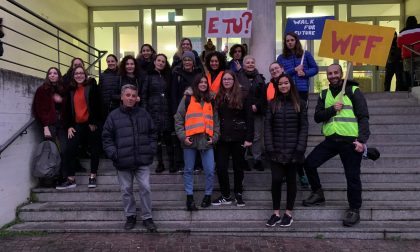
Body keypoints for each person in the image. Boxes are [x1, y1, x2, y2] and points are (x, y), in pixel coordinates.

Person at [302, 64, 370, 227]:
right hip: (331, 140)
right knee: (309, 163)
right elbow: (317, 117)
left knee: (352, 176)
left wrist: (361, 141)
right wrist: (333, 109)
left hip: (350, 141)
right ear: (327, 76)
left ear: (341, 74)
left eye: (335, 73)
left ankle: (354, 209)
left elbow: (363, 117)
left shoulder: (353, 91)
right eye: (330, 73)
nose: (332, 75)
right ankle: (318, 193)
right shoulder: (324, 94)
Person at [102, 84, 158, 232]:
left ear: (137, 97)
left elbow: (153, 133)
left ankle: (147, 217)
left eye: (133, 95)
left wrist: (151, 149)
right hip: (123, 160)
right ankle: (130, 216)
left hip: (142, 160)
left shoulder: (144, 114)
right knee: (126, 189)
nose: (130, 98)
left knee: (145, 188)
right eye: (128, 95)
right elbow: (107, 138)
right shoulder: (113, 116)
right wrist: (114, 154)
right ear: (122, 97)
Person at [264, 74, 308, 228]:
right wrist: (269, 148)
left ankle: (288, 213)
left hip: (293, 151)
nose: (283, 86)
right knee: (276, 181)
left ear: (291, 84)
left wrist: (300, 150)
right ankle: (276, 213)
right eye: (280, 84)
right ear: (277, 87)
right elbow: (267, 128)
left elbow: (304, 128)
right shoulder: (272, 104)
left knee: (291, 182)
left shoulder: (300, 104)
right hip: (276, 151)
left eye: (286, 83)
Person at [174, 74, 220, 211]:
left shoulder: (211, 100)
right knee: (188, 170)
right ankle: (189, 197)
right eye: (201, 82)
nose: (203, 84)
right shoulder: (187, 98)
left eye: (205, 82)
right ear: (196, 83)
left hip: (206, 141)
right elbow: (178, 119)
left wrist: (215, 137)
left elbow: (216, 121)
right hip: (190, 141)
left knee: (210, 170)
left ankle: (208, 195)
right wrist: (183, 137)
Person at [56, 66, 102, 190]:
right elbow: (67, 111)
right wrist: (69, 126)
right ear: (73, 75)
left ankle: (93, 176)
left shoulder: (91, 86)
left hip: (90, 124)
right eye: (76, 73)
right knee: (70, 149)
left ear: (85, 75)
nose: (79, 75)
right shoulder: (71, 90)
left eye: (81, 73)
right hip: (77, 125)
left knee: (94, 149)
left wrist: (93, 122)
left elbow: (98, 104)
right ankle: (71, 179)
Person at [212, 70, 253, 207]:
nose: (227, 81)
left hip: (239, 136)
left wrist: (249, 138)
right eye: (224, 79)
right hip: (222, 138)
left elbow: (249, 117)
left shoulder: (243, 95)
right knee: (222, 167)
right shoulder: (218, 96)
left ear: (234, 80)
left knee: (238, 167)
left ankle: (238, 194)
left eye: (229, 79)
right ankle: (226, 195)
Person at [32, 67, 68, 185]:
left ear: (59, 76)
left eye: (55, 73)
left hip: (62, 124)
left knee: (64, 149)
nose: (52, 75)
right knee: (50, 151)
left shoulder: (63, 90)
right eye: (50, 73)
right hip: (50, 124)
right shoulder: (42, 90)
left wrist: (61, 100)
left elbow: (68, 106)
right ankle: (50, 178)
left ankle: (62, 176)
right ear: (48, 76)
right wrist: (45, 126)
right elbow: (39, 109)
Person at [141, 54, 175, 173]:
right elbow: (144, 95)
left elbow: (171, 94)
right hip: (153, 111)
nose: (161, 63)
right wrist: (145, 111)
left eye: (163, 61)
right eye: (159, 60)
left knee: (168, 138)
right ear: (154, 62)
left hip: (166, 110)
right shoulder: (148, 76)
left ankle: (172, 163)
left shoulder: (168, 76)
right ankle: (160, 163)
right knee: (157, 139)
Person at [171, 51, 203, 173]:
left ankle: (197, 164)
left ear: (193, 62)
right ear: (182, 61)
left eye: (189, 60)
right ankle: (181, 164)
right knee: (182, 135)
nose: (187, 62)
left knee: (197, 134)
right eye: (185, 60)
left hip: (196, 109)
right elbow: (173, 93)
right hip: (182, 109)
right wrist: (174, 111)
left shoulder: (198, 73)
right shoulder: (177, 73)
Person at [236, 55, 266, 171]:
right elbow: (236, 95)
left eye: (252, 62)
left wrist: (257, 105)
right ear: (243, 65)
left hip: (256, 112)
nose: (250, 64)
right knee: (243, 135)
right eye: (247, 62)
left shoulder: (260, 78)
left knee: (257, 136)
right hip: (242, 112)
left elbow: (263, 96)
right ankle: (243, 159)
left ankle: (257, 159)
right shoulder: (237, 77)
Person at [276, 32, 318, 101]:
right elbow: (280, 74)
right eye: (287, 41)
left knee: (302, 110)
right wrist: (294, 69)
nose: (290, 42)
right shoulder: (281, 58)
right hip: (287, 89)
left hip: (302, 89)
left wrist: (305, 73)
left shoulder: (306, 54)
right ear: (285, 43)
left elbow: (315, 69)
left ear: (296, 41)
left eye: (292, 40)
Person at [397, 16, 420, 90]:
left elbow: (399, 45)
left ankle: (412, 88)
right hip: (418, 54)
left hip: (407, 56)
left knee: (409, 72)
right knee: (418, 71)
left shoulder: (402, 32)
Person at [98, 54, 120, 118]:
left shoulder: (121, 74)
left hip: (118, 106)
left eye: (112, 61)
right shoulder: (102, 75)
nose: (110, 63)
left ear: (116, 62)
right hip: (105, 108)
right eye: (108, 61)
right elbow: (100, 91)